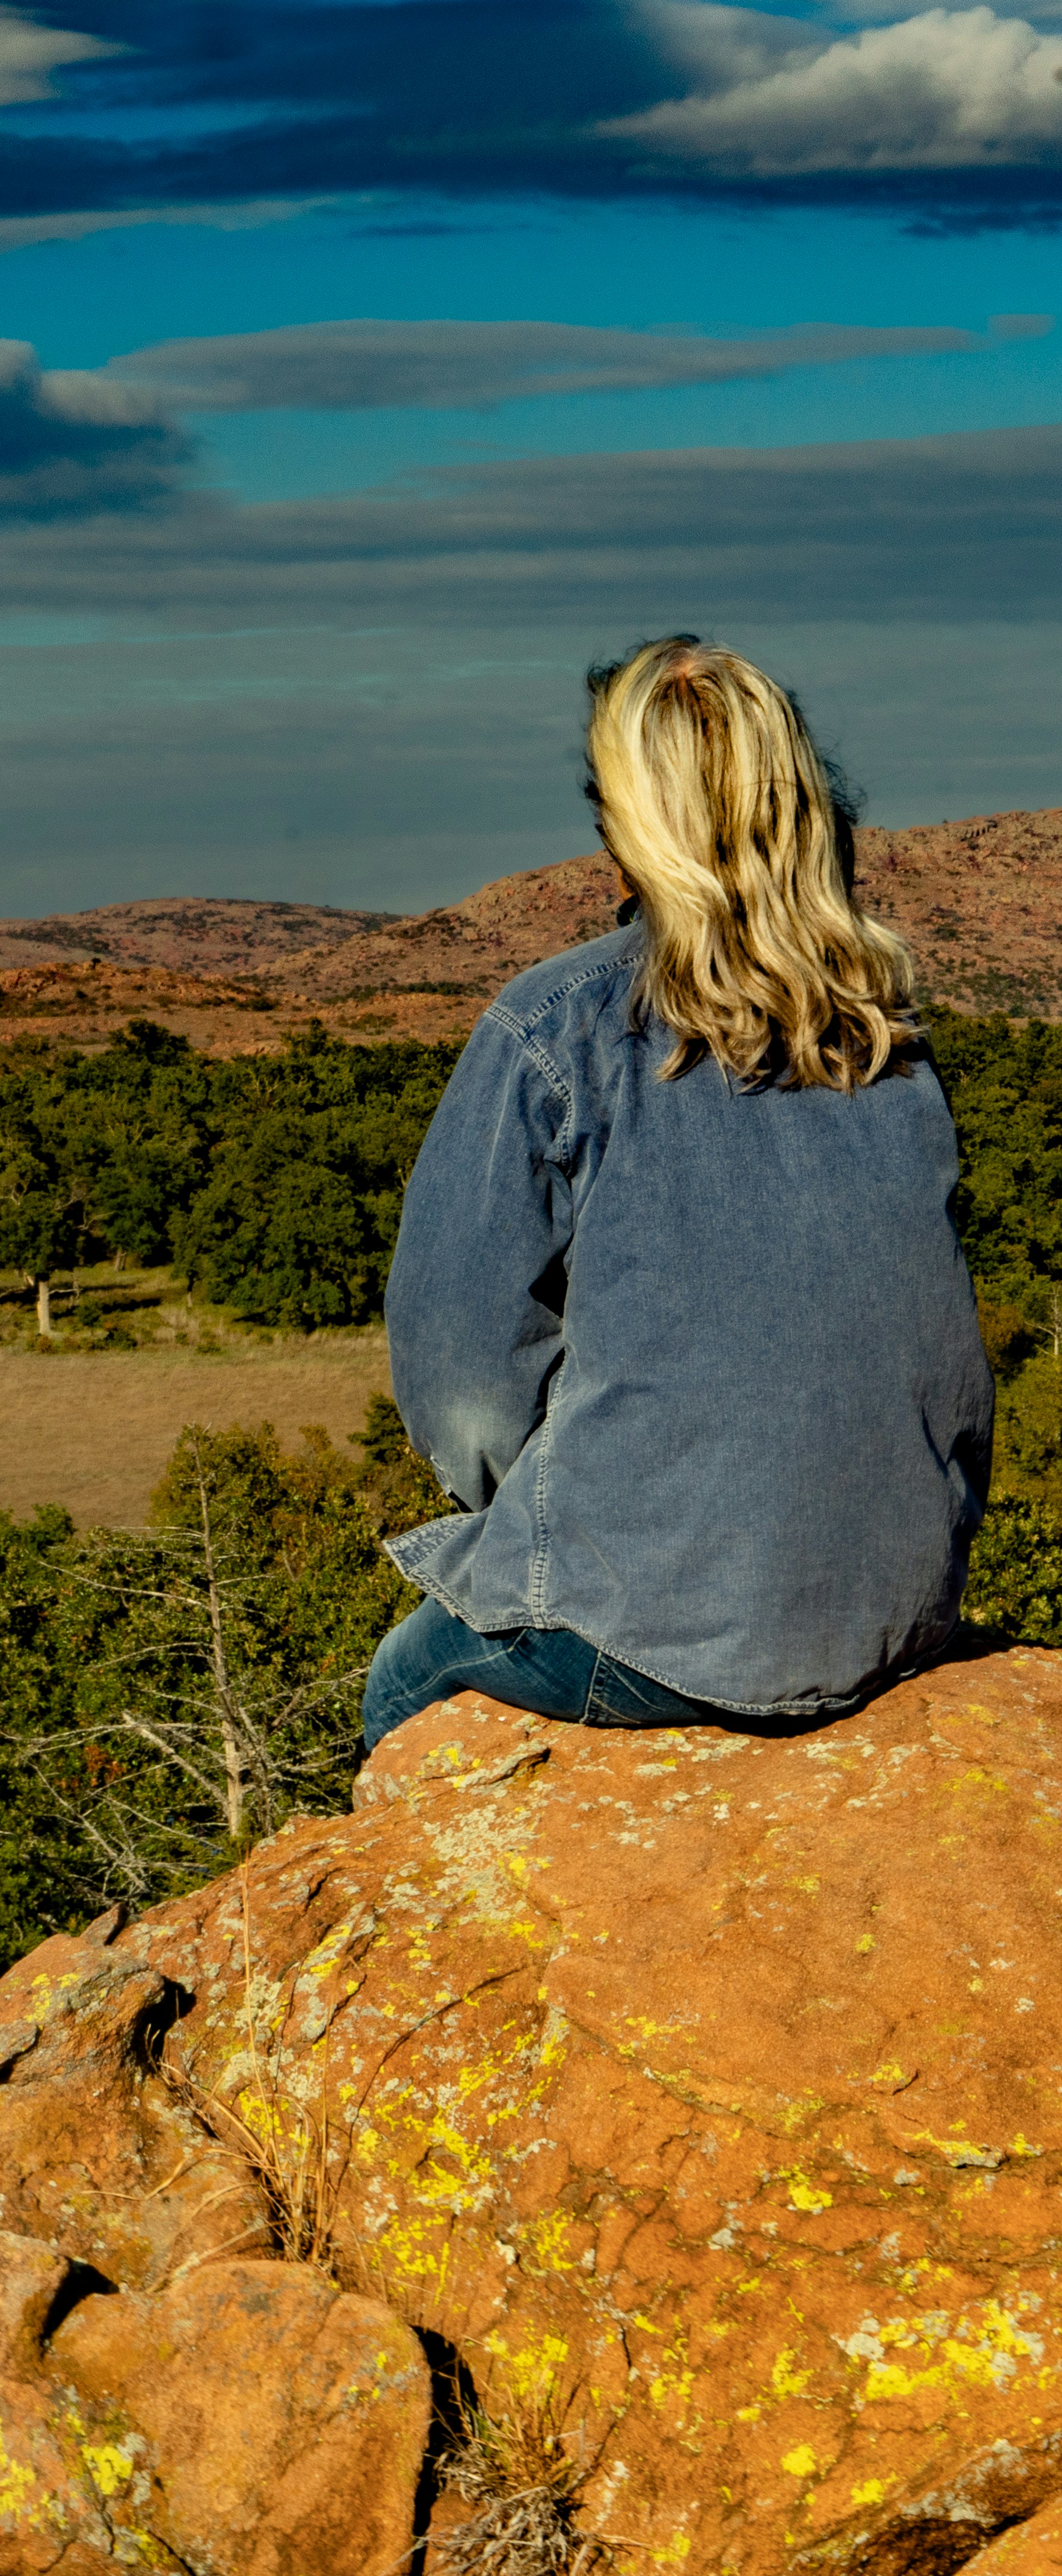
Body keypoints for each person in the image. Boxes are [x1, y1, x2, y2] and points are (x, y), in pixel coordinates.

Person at [360, 634, 992, 1759]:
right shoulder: (890, 1044)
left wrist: (565, 1502)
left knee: (402, 1692)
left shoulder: (555, 1028)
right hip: (897, 1605)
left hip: (645, 1629)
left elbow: (457, 1369)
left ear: (626, 824)